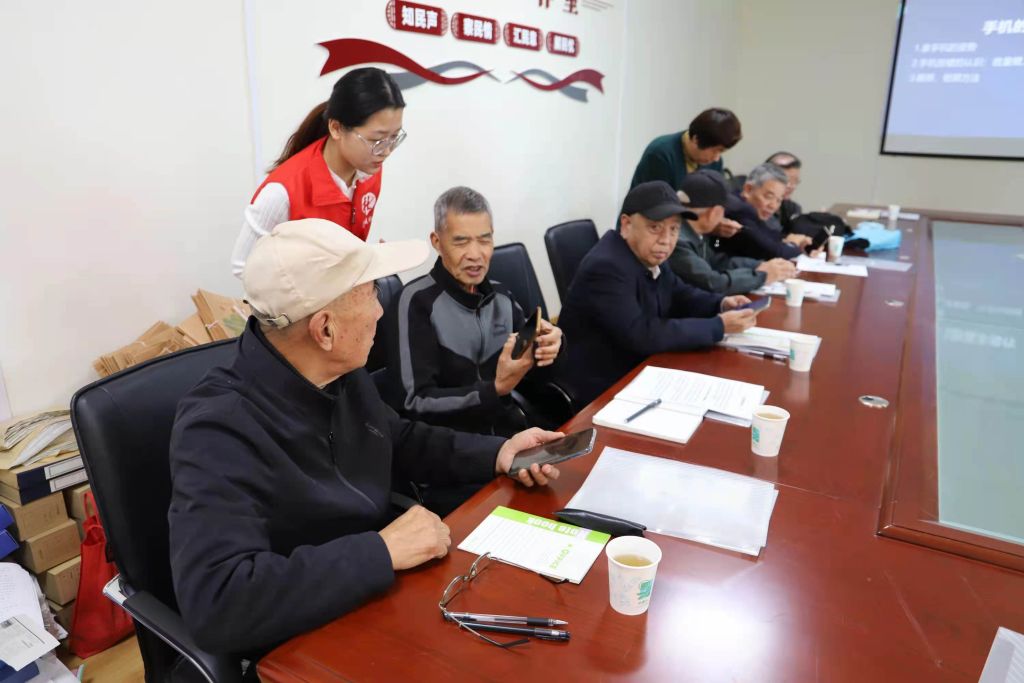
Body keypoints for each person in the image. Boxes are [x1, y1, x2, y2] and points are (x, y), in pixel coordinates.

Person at [170, 218, 563, 659]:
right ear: (325, 329)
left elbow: (394, 437)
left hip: (375, 595)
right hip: (305, 640)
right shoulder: (218, 428)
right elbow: (218, 602)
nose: (380, 311)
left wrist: (499, 452)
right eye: (372, 294)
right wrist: (380, 551)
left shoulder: (338, 371)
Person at [556, 181, 757, 407]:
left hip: (637, 370)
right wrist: (718, 326)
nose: (666, 240)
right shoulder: (607, 266)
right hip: (597, 386)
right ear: (626, 224)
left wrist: (720, 304)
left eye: (674, 229)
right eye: (655, 228)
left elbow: (680, 293)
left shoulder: (648, 254)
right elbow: (641, 333)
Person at [387, 186, 565, 440]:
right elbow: (413, 403)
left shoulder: (502, 297)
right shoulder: (414, 302)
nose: (475, 255)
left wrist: (554, 345)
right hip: (452, 449)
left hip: (511, 436)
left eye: (484, 240)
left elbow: (535, 376)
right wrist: (494, 389)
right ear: (437, 242)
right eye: (461, 241)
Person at [230, 67, 407, 277]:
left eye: (394, 137)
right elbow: (243, 267)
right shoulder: (282, 192)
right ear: (336, 128)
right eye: (376, 140)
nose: (386, 151)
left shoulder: (369, 170)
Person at [668, 170, 796, 294]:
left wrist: (759, 265)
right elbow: (714, 282)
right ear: (715, 212)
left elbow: (717, 262)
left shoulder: (700, 233)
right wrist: (762, 275)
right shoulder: (678, 241)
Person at [629, 108, 743, 191]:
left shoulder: (714, 163)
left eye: (721, 152)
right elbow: (656, 206)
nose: (717, 158)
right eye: (715, 150)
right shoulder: (661, 153)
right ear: (696, 139)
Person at [719, 163, 811, 261]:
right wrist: (795, 244)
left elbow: (767, 233)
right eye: (769, 197)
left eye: (779, 200)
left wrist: (788, 237)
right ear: (748, 189)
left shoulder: (747, 208)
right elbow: (775, 252)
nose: (773, 206)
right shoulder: (738, 211)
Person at [765, 151, 803, 234]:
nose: (791, 186)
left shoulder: (793, 208)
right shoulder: (758, 204)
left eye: (795, 181)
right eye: (786, 180)